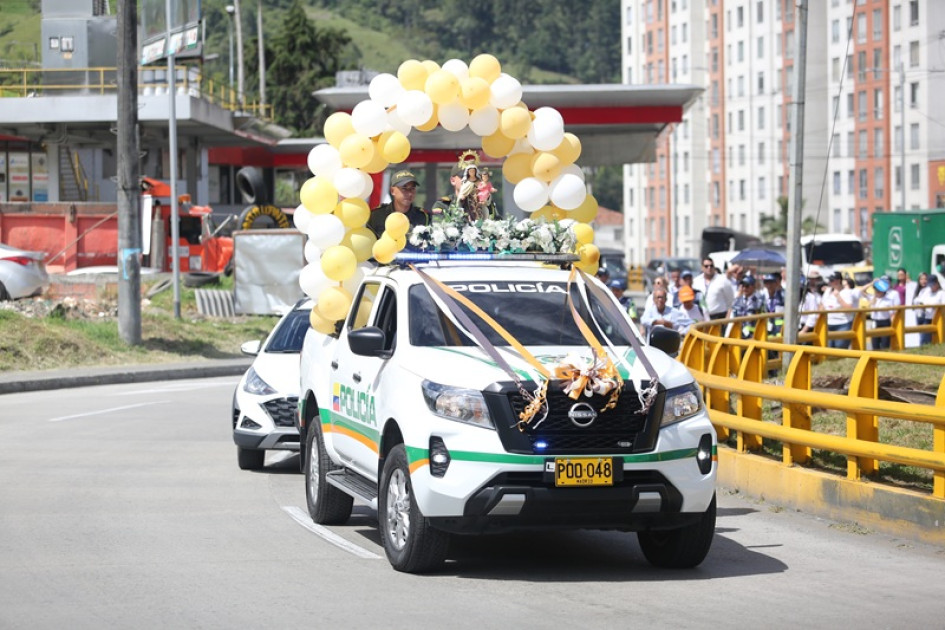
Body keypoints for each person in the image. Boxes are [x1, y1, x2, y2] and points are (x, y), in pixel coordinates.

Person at [366, 170, 432, 238]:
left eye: (412, 189)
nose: (409, 193)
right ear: (392, 191)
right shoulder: (377, 215)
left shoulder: (424, 217)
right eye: (404, 188)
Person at [433, 151, 496, 220]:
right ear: (453, 180)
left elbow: (498, 226)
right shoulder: (443, 205)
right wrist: (459, 203)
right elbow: (440, 227)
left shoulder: (484, 203)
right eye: (464, 177)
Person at [821, 271, 854, 349]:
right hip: (828, 323)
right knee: (828, 348)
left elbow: (849, 309)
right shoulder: (827, 291)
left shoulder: (846, 292)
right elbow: (822, 305)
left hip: (843, 324)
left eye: (832, 280)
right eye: (829, 280)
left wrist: (838, 297)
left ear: (838, 281)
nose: (830, 282)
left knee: (840, 348)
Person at [869, 276, 899, 350]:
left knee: (885, 344)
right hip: (875, 322)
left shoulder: (888, 300)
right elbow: (861, 291)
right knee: (875, 344)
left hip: (885, 322)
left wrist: (894, 325)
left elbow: (892, 314)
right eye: (876, 289)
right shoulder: (872, 298)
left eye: (879, 289)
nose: (877, 291)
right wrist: (872, 283)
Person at [914, 273, 942, 345]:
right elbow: (917, 300)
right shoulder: (926, 291)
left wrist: (932, 306)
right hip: (926, 317)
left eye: (933, 285)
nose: (931, 287)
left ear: (937, 284)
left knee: (937, 340)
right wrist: (922, 304)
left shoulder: (941, 293)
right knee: (924, 339)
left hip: (937, 319)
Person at [762, 272, 785, 336]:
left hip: (781, 331)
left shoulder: (783, 296)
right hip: (768, 330)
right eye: (766, 282)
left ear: (776, 283)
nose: (769, 285)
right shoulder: (762, 297)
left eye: (771, 282)